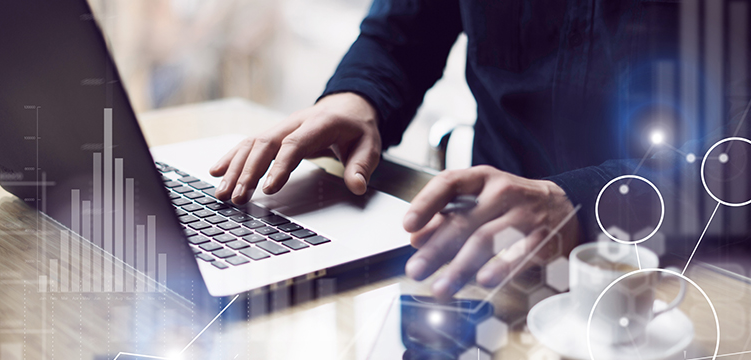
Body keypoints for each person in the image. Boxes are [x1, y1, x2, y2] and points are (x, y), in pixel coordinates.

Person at [209, 0, 679, 299]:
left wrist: (578, 203)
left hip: (682, 273)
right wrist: (358, 97)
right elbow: (404, 30)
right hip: (488, 261)